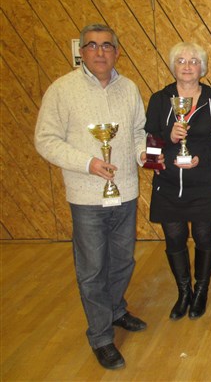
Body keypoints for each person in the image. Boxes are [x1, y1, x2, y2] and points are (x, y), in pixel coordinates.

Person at [34, 23, 148, 370]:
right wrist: (88, 163)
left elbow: (138, 131)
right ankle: (100, 336)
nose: (100, 52)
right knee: (92, 268)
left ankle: (115, 309)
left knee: (124, 259)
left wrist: (144, 155)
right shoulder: (62, 90)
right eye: (92, 46)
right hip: (86, 196)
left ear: (116, 51)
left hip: (125, 191)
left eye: (107, 46)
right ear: (81, 52)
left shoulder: (128, 88)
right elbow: (46, 139)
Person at [145, 42, 211, 322]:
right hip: (168, 183)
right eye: (181, 60)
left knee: (205, 237)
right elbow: (148, 136)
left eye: (193, 61)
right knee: (174, 238)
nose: (187, 66)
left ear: (202, 68)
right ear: (174, 66)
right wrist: (158, 156)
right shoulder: (160, 99)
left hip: (202, 180)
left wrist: (200, 159)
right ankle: (184, 292)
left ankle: (201, 290)